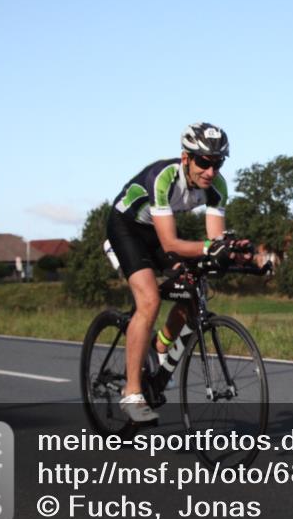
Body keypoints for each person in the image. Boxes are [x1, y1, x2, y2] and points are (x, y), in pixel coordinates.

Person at [106, 122, 250, 423]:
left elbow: (215, 242)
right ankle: (131, 393)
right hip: (127, 229)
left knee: (193, 289)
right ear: (186, 158)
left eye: (217, 163)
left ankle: (159, 349)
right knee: (149, 302)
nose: (210, 171)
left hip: (157, 233)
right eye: (204, 162)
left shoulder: (217, 187)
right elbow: (172, 242)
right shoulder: (165, 178)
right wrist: (212, 247)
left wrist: (242, 256)